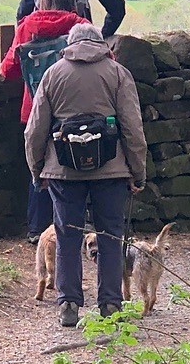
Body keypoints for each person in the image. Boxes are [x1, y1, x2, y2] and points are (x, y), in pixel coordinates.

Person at [25, 23, 147, 327]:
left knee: (67, 235)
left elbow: (35, 129)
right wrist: (137, 171)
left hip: (63, 171)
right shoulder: (118, 74)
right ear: (101, 44)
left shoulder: (53, 74)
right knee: (110, 234)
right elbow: (133, 128)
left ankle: (68, 303)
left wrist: (37, 169)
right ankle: (109, 303)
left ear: (71, 43)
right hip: (112, 170)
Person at [1, 0, 89, 244]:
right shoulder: (81, 26)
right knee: (77, 165)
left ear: (41, 1)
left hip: (35, 110)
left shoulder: (27, 26)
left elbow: (8, 70)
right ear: (71, 1)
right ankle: (75, 226)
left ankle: (38, 229)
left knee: (38, 167)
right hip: (76, 110)